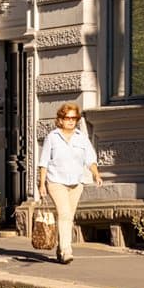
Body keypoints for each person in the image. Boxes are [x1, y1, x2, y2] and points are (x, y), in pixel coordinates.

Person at [36, 102, 98, 265]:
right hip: (56, 181)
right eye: (67, 117)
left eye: (74, 118)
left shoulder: (81, 138)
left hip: (76, 183)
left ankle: (60, 249)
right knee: (64, 214)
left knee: (68, 217)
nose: (71, 121)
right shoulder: (52, 137)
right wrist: (42, 184)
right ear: (61, 119)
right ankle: (67, 251)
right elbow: (44, 163)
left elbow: (90, 159)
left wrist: (96, 175)